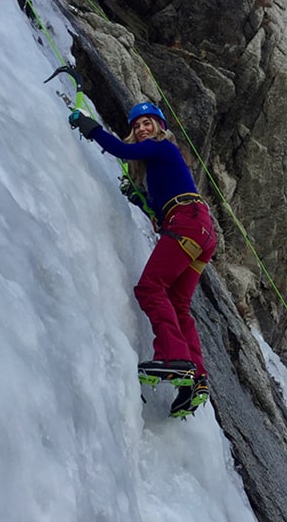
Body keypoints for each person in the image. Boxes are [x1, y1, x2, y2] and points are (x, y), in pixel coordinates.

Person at [70, 102, 216, 417]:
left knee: (150, 287)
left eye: (147, 123)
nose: (141, 129)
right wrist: (143, 200)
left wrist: (89, 126)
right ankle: (196, 380)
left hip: (187, 221)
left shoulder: (162, 147)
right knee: (178, 304)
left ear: (160, 127)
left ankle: (174, 360)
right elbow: (157, 205)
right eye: (137, 126)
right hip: (201, 231)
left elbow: (121, 151)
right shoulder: (162, 165)